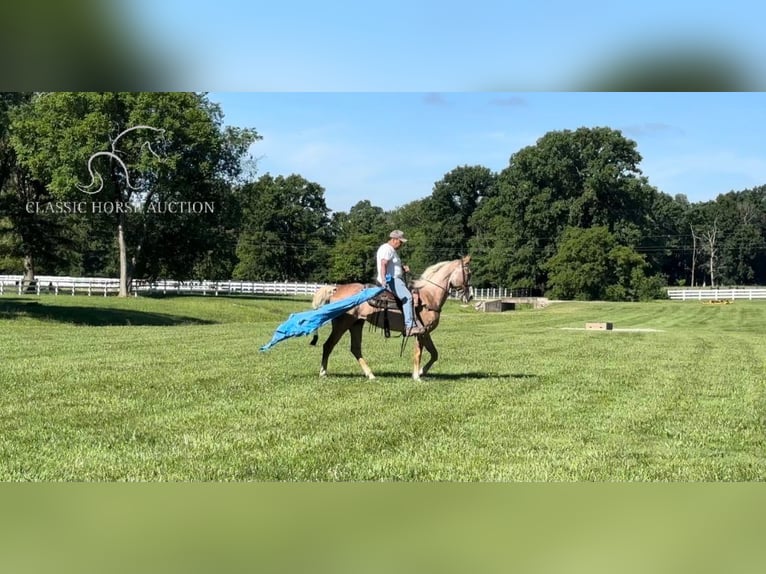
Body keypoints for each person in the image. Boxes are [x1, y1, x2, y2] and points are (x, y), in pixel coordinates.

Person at [376, 230, 425, 336]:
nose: (401, 244)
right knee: (408, 297)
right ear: (394, 239)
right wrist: (384, 279)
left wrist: (402, 268)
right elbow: (383, 263)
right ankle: (409, 326)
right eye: (400, 241)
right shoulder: (387, 249)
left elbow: (391, 265)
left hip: (395, 278)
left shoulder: (391, 250)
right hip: (391, 280)